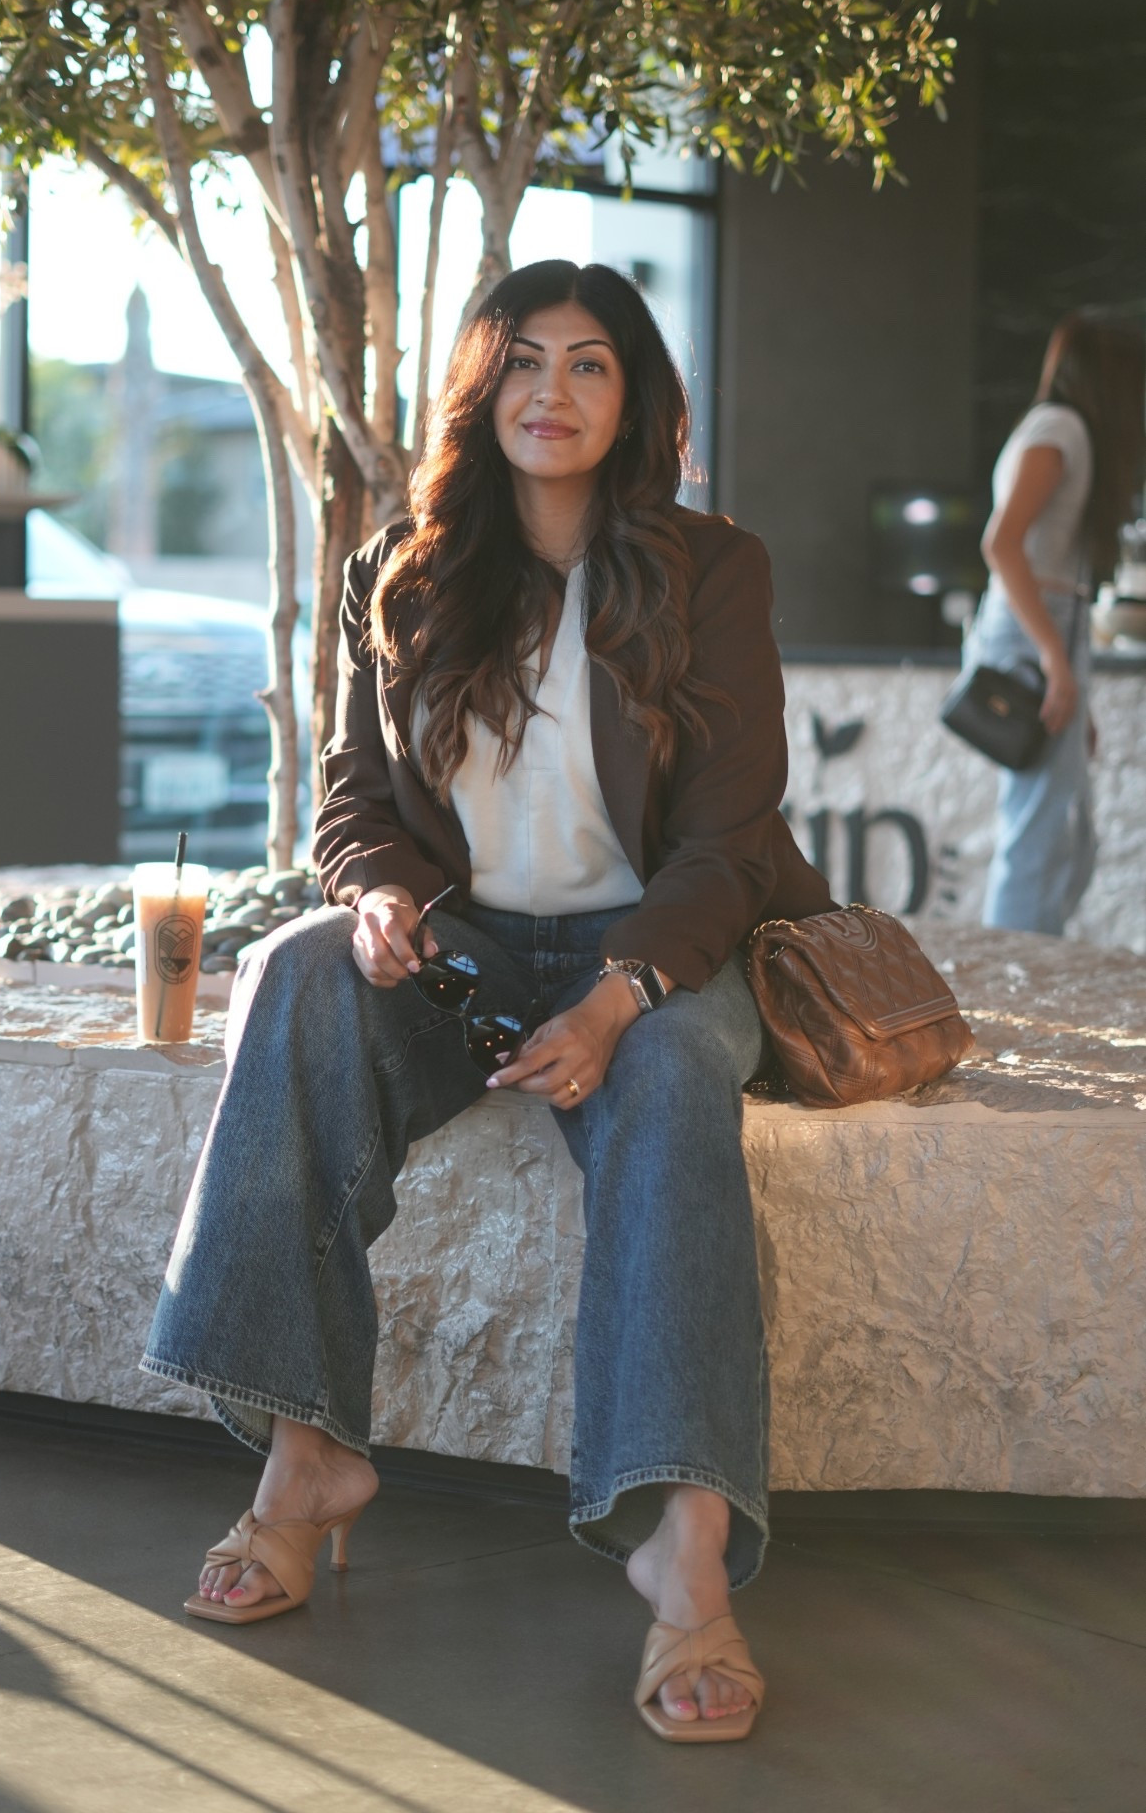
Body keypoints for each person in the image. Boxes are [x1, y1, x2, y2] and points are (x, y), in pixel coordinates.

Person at [142, 260, 832, 1743]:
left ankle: (682, 1548)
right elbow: (350, 797)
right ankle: (303, 1455)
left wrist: (621, 993)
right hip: (457, 944)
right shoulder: (401, 564)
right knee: (293, 974)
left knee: (661, 1083)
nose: (552, 392)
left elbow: (730, 837)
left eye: (590, 364)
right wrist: (381, 893)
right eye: (523, 361)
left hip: (660, 945)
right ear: (480, 386)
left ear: (635, 397)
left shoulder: (713, 568)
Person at [971, 309, 1145, 934]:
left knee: (1065, 834)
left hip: (1048, 633)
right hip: (1035, 633)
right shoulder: (1061, 428)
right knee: (1038, 836)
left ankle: (1027, 965)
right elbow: (1002, 544)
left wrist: (1069, 673)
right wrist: (1054, 659)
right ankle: (1013, 978)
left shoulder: (1057, 428)